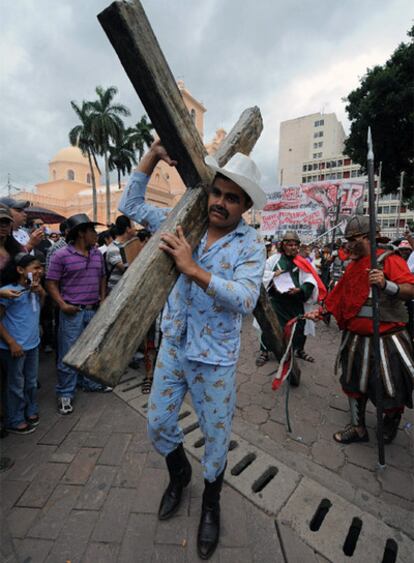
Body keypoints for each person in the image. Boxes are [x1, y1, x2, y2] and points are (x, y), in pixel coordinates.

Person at [119, 139, 267, 560]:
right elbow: (131, 204)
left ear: (244, 206)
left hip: (215, 359)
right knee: (158, 423)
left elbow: (245, 299)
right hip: (173, 347)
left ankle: (211, 505)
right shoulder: (183, 222)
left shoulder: (249, 244)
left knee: (216, 440)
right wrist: (150, 155)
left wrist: (193, 269)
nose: (220, 202)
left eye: (231, 198)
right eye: (217, 192)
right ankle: (179, 472)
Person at [325, 215, 414, 445]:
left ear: (367, 238)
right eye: (347, 239)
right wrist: (323, 310)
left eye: (353, 239)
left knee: (391, 388)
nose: (348, 244)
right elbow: (342, 296)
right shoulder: (354, 264)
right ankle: (358, 427)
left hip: (386, 341)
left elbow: (410, 289)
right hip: (355, 340)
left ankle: (390, 423)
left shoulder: (389, 260)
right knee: (352, 383)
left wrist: (386, 284)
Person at [46, 213, 111, 416]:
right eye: (92, 231)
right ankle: (65, 393)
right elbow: (50, 283)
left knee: (91, 350)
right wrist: (62, 304)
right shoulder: (61, 255)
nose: (95, 235)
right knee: (68, 353)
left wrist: (102, 299)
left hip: (92, 310)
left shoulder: (96, 254)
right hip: (72, 312)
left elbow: (102, 277)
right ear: (82, 233)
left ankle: (90, 383)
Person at [256, 230, 325, 369]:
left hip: (295, 302)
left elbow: (310, 279)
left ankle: (299, 350)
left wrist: (301, 289)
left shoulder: (302, 262)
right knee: (270, 327)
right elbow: (261, 274)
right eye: (290, 245)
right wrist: (274, 275)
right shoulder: (273, 260)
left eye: (295, 245)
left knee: (299, 328)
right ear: (283, 245)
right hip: (277, 303)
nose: (293, 247)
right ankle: (265, 351)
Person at [0, 253, 45, 434]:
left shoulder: (34, 288)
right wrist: (11, 342)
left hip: (32, 344)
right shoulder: (9, 291)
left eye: (40, 267)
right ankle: (15, 418)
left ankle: (30, 408)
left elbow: (40, 307)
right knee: (15, 384)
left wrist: (41, 292)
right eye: (35, 268)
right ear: (20, 270)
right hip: (15, 348)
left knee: (31, 381)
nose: (39, 271)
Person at [105, 215, 136, 293]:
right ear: (128, 229)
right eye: (133, 226)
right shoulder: (113, 249)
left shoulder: (129, 245)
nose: (135, 229)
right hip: (115, 292)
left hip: (126, 290)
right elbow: (126, 269)